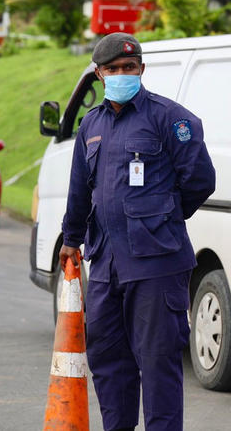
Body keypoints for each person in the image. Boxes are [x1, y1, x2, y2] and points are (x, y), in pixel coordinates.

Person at [59, 33, 216, 431]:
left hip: (157, 266)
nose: (122, 75)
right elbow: (80, 190)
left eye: (130, 68)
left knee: (158, 363)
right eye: (113, 70)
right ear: (99, 74)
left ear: (142, 70)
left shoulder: (171, 119)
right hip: (106, 263)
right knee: (109, 363)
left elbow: (200, 180)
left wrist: (161, 216)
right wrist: (71, 239)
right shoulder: (91, 126)